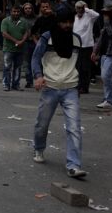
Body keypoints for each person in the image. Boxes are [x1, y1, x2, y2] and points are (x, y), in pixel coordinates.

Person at [32, 10, 87, 178]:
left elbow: (81, 64)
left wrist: (80, 86)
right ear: (58, 22)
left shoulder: (76, 40)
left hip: (70, 88)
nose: (67, 25)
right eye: (64, 22)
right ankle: (39, 149)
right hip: (50, 87)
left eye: (70, 22)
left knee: (74, 128)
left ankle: (73, 165)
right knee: (42, 124)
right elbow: (35, 58)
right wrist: (38, 76)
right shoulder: (46, 38)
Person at [72, 1, 99, 94]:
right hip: (76, 45)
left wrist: (86, 8)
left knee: (85, 68)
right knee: (77, 67)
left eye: (81, 8)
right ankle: (78, 86)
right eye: (78, 8)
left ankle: (84, 87)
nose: (80, 10)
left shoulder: (89, 17)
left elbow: (97, 15)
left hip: (87, 45)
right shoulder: (74, 18)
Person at [1, 5, 29, 91]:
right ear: (11, 12)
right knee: (7, 67)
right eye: (14, 11)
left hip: (20, 49)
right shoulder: (5, 21)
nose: (16, 13)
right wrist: (16, 41)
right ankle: (6, 84)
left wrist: (22, 41)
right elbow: (4, 33)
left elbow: (26, 32)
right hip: (8, 48)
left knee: (18, 67)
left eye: (17, 12)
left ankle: (16, 84)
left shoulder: (23, 21)